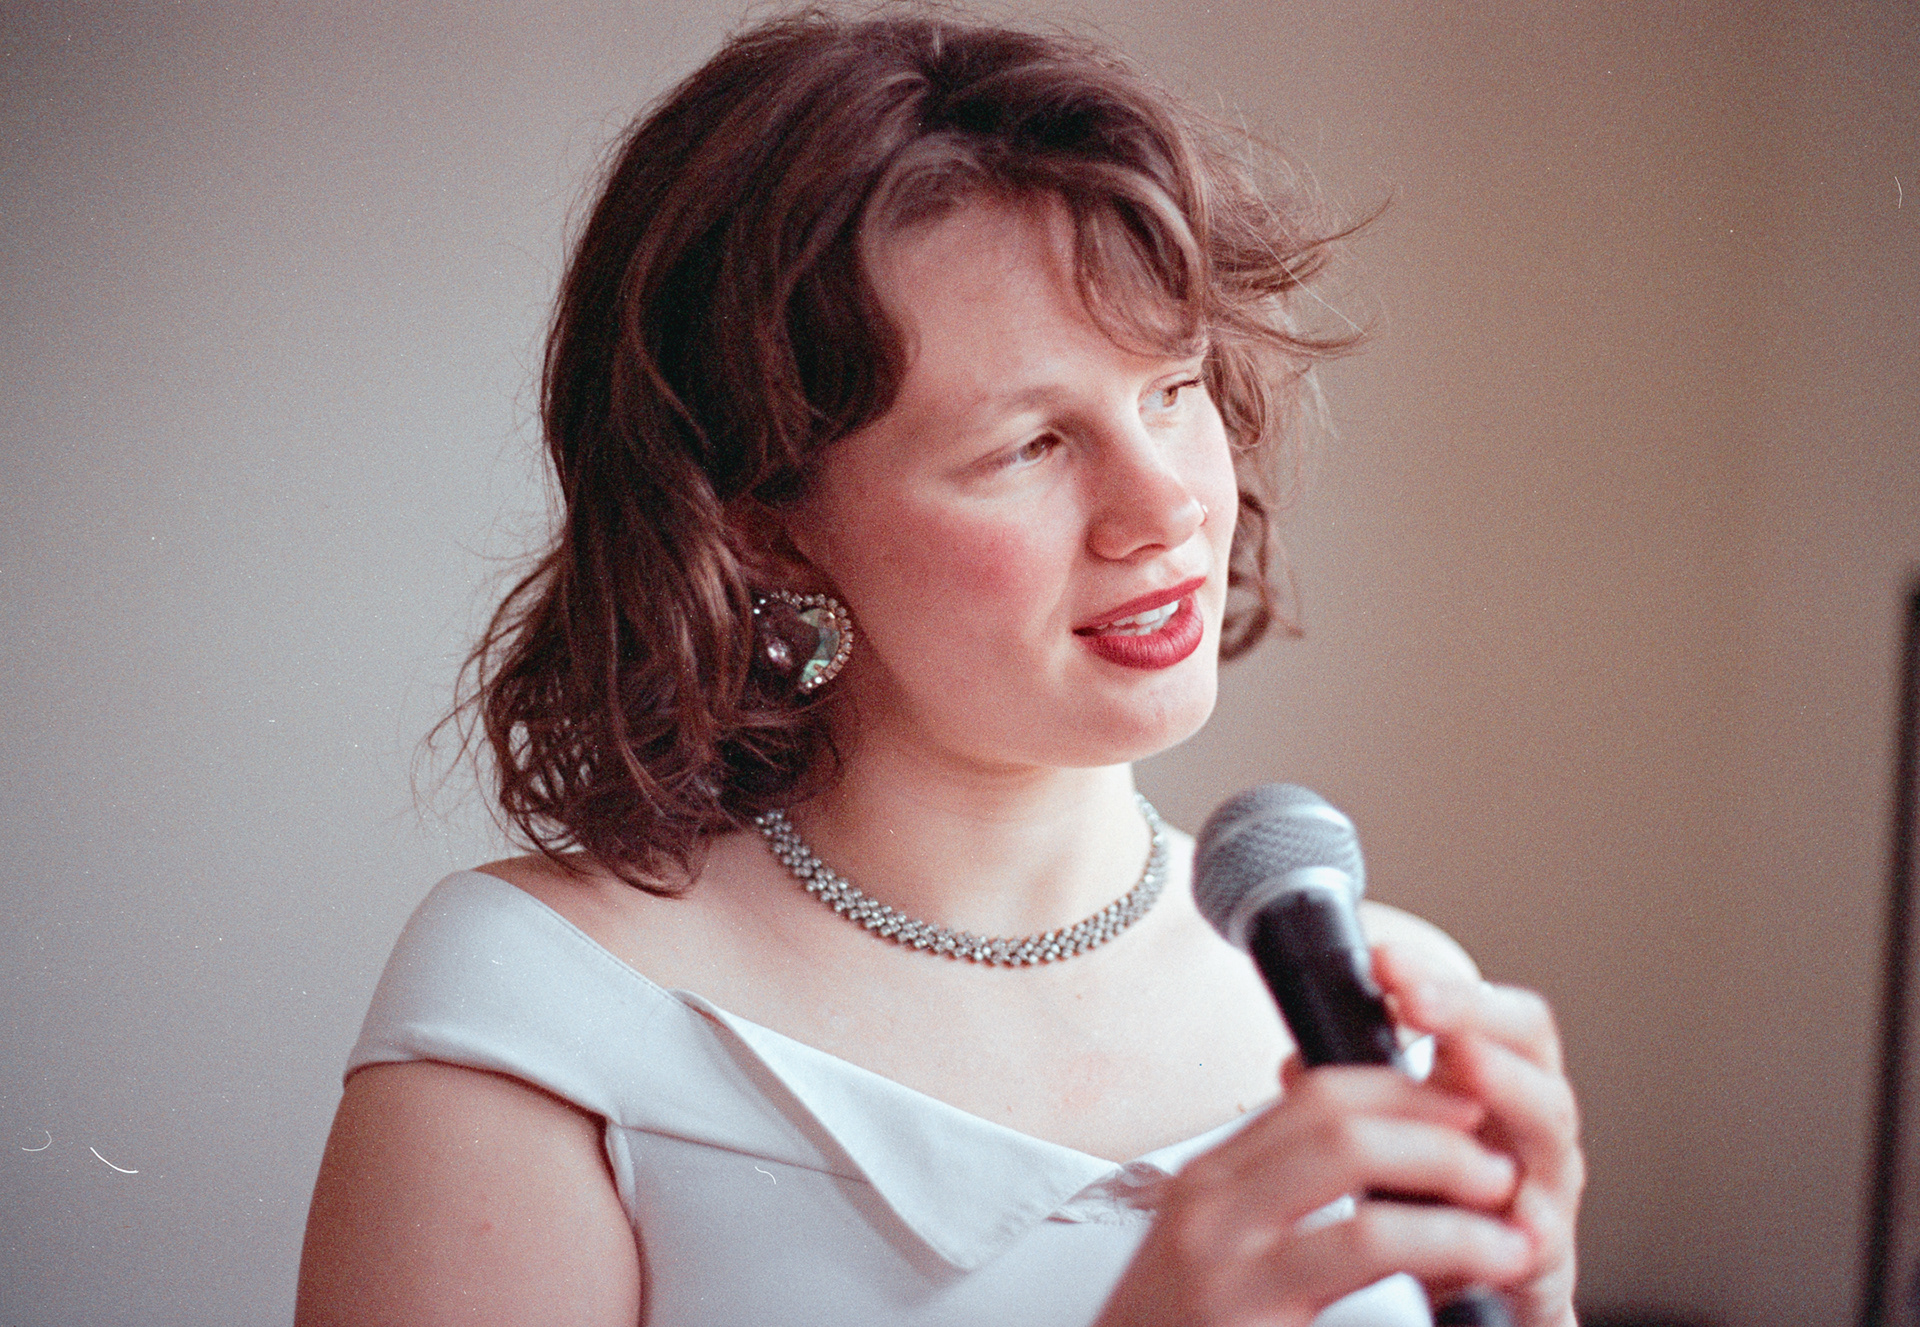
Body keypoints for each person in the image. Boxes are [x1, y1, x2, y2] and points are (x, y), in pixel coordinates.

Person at [295, 9, 1582, 1326]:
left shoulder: (1390, 999)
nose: (1168, 509)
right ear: (766, 526)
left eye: (1171, 388)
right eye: (1028, 445)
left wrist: (1538, 1305)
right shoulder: (542, 1010)